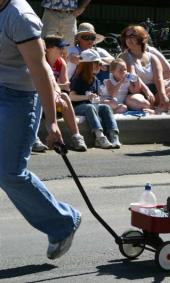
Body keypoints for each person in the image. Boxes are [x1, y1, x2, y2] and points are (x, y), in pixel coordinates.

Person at [0, 0, 81, 260]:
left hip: (18, 98)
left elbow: (40, 68)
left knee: (10, 172)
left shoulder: (19, 17)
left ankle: (63, 222)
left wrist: (52, 122)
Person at [119, 25, 170, 112]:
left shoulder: (152, 57)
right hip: (136, 92)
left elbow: (159, 78)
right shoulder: (125, 56)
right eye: (126, 37)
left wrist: (162, 95)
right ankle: (157, 109)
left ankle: (158, 108)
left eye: (132, 36)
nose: (128, 39)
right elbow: (133, 79)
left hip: (154, 91)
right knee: (137, 101)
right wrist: (146, 91)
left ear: (141, 38)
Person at [69, 49, 121, 149]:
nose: (100, 66)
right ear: (87, 65)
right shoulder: (78, 78)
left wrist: (98, 99)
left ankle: (113, 134)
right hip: (78, 107)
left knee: (105, 107)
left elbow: (96, 96)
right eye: (97, 63)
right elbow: (72, 96)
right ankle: (99, 136)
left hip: (92, 106)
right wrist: (87, 97)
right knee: (89, 107)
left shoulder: (95, 80)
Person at [44, 35, 88, 151]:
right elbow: (40, 86)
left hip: (55, 99)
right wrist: (57, 89)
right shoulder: (41, 61)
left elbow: (66, 86)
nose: (63, 50)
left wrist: (57, 92)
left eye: (64, 47)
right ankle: (35, 139)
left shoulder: (61, 62)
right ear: (48, 48)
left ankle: (76, 137)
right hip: (42, 99)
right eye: (59, 47)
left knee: (64, 96)